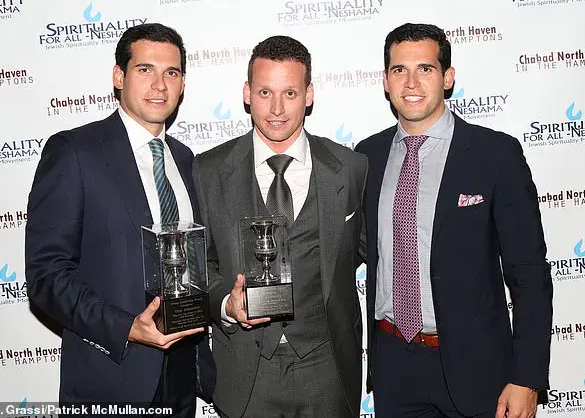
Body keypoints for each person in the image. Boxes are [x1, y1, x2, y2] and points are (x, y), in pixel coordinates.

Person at [355, 23, 552, 418]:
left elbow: (529, 274)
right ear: (386, 81)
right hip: (393, 366)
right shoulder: (367, 157)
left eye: (425, 69)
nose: (412, 82)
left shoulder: (495, 154)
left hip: (478, 369)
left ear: (447, 77)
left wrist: (527, 377)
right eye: (399, 70)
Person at [25, 23, 215, 416]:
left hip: (182, 376)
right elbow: (46, 276)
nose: (159, 85)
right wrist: (127, 327)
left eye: (171, 73)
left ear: (182, 84)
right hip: (111, 376)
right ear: (119, 76)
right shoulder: (75, 152)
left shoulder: (185, 159)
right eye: (145, 69)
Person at [193, 35, 367, 418]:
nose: (276, 108)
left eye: (290, 93)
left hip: (327, 370)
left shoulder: (351, 168)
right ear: (247, 94)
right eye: (265, 92)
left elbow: (377, 252)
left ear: (308, 95)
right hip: (245, 373)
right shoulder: (208, 171)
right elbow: (199, 266)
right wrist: (226, 303)